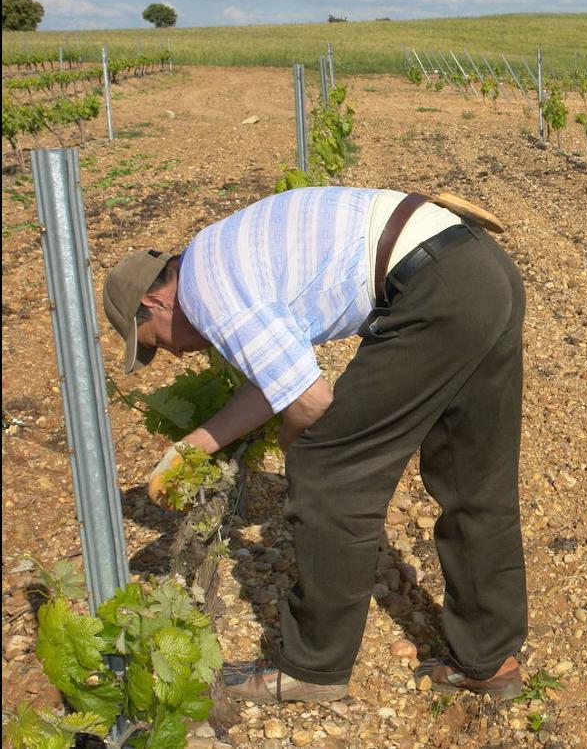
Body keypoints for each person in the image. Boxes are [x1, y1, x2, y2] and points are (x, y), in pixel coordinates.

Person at [102, 187, 528, 702]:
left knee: (328, 472)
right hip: (481, 270)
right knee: (473, 478)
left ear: (156, 301)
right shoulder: (217, 258)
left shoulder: (207, 294)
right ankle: (490, 659)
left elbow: (309, 401)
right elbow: (277, 380)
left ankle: (312, 667)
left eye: (156, 343)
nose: (176, 354)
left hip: (435, 290)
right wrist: (189, 448)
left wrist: (300, 447)